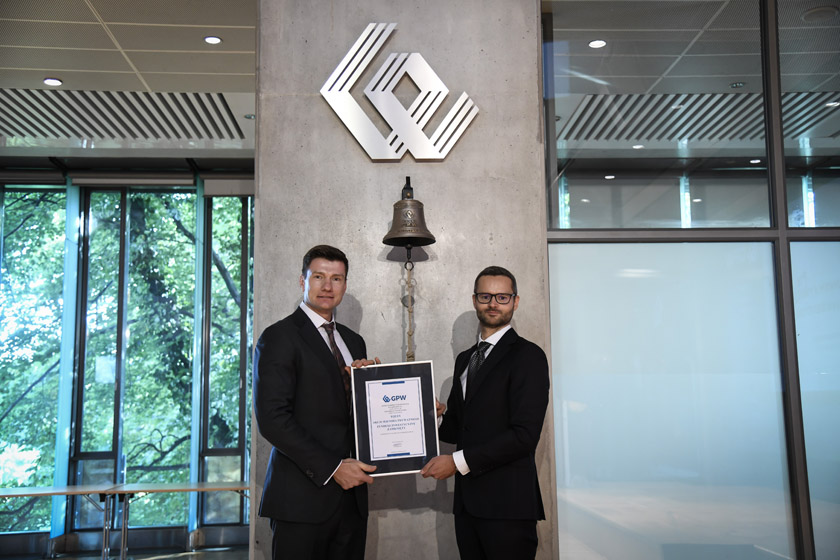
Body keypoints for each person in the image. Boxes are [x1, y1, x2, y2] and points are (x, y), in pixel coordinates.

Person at [254, 245, 379, 560]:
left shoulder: (354, 341)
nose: (327, 286)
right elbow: (272, 419)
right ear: (302, 281)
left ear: (345, 285)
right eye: (318, 277)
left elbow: (352, 413)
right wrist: (333, 468)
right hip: (301, 501)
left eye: (336, 278)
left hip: (351, 501)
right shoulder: (279, 336)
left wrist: (374, 390)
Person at [421, 266, 550, 560]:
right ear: (474, 300)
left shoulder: (528, 356)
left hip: (508, 506)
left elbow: (524, 436)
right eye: (485, 296)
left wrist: (456, 462)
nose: (493, 303)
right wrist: (433, 415)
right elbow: (457, 428)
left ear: (515, 301)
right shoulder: (465, 359)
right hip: (468, 505)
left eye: (502, 297)